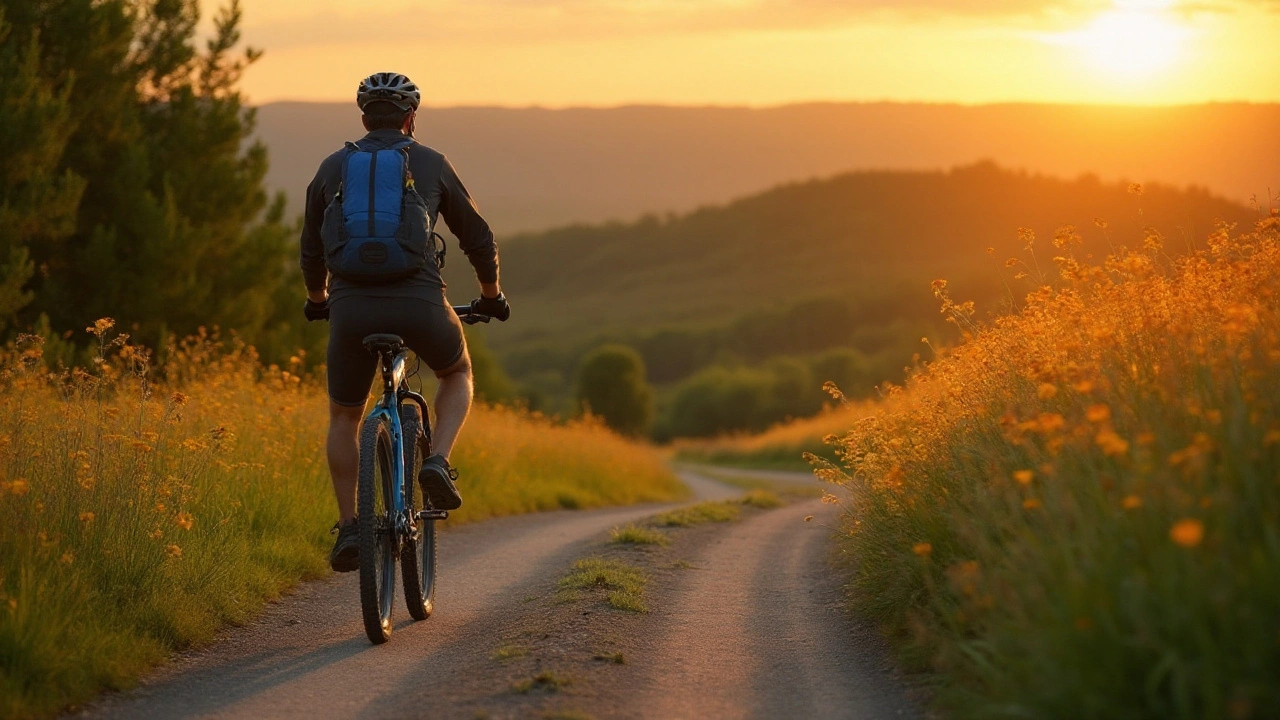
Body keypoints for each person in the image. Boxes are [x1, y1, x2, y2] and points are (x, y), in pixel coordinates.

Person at [299, 72, 510, 572]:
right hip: (420, 304)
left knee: (345, 417)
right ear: (411, 118)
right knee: (456, 373)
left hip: (350, 311)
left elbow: (311, 247)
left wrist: (317, 299)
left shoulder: (333, 167)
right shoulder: (430, 162)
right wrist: (490, 296)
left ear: (364, 118)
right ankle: (436, 461)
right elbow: (478, 237)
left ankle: (351, 526)